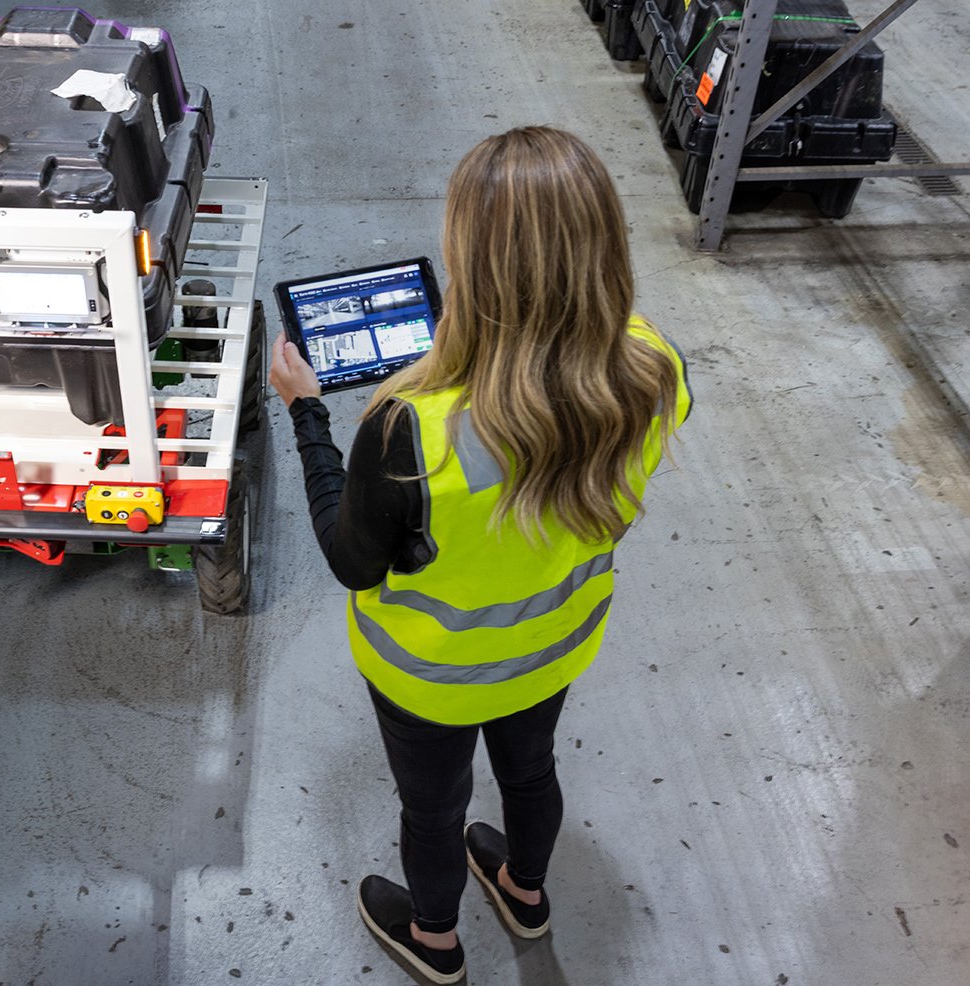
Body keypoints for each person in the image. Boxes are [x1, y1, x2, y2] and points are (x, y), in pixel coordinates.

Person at [265, 127, 693, 985]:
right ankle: (525, 892)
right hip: (554, 645)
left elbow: (353, 564)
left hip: (431, 676)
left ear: (474, 265)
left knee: (433, 811)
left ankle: (435, 943)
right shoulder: (652, 366)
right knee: (531, 773)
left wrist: (307, 411)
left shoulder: (412, 427)